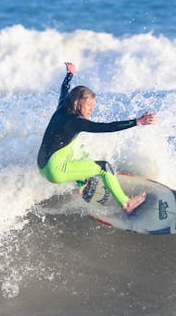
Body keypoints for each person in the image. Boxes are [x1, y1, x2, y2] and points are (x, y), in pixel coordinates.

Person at [37, 62, 157, 214]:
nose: (91, 110)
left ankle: (82, 185)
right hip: (54, 170)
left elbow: (64, 89)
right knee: (104, 167)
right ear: (79, 103)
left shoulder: (62, 106)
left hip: (42, 165)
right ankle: (126, 203)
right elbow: (107, 127)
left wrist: (69, 74)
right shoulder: (76, 122)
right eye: (88, 106)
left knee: (80, 150)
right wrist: (137, 122)